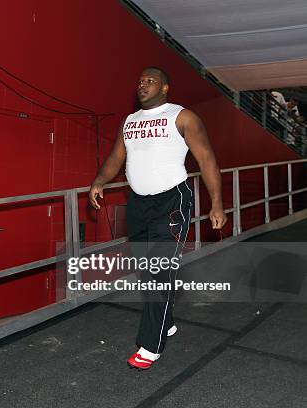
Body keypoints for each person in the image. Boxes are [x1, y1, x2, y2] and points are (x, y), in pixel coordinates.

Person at [88, 67, 227, 370]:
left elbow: (206, 159)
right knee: (145, 270)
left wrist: (217, 204)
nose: (143, 85)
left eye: (150, 81)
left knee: (159, 271)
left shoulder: (182, 117)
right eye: (139, 81)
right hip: (138, 204)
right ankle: (167, 320)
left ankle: (151, 345)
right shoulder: (130, 121)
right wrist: (99, 180)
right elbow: (116, 157)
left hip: (171, 202)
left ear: (165, 87)